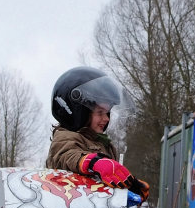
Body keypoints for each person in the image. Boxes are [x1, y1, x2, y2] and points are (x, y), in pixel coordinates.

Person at [47, 67, 149, 200]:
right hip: (67, 206)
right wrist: (92, 162)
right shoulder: (64, 138)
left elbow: (103, 181)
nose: (106, 118)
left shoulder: (105, 145)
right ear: (79, 112)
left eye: (107, 113)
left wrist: (128, 185)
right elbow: (65, 157)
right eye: (100, 112)